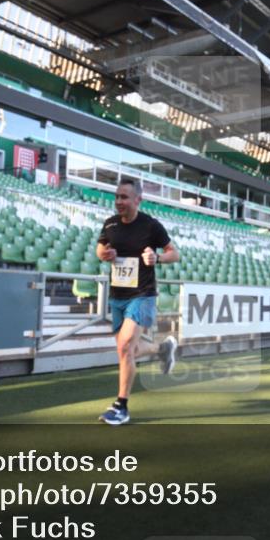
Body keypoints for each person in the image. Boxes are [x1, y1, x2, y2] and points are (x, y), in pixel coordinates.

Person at [95, 179, 181, 426]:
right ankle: (162, 349)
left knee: (124, 347)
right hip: (117, 295)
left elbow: (174, 253)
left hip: (142, 294)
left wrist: (157, 257)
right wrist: (104, 254)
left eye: (124, 197)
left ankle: (121, 406)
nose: (119, 201)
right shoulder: (110, 224)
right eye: (117, 197)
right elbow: (100, 249)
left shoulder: (150, 225)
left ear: (137, 200)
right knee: (128, 350)